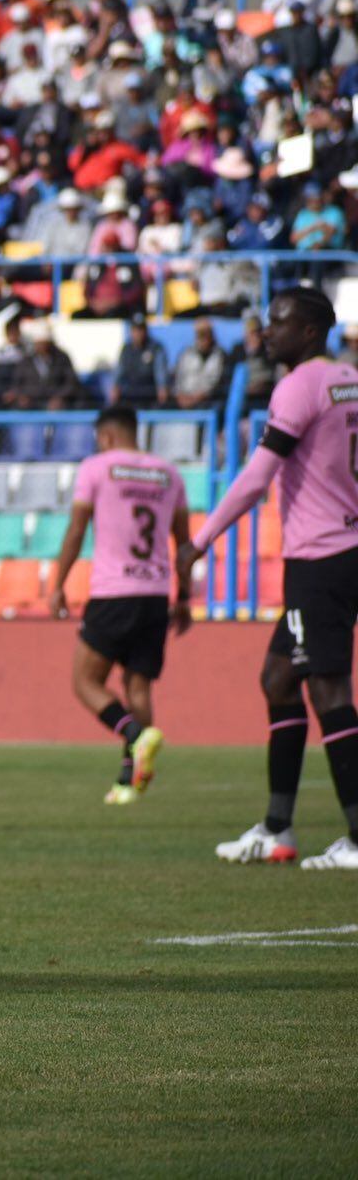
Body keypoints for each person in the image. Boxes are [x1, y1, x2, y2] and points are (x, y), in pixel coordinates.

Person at [190, 289, 358, 870]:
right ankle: (278, 829)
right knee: (279, 678)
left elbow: (257, 477)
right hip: (344, 550)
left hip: (319, 556)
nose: (267, 330)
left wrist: (199, 539)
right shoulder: (351, 380)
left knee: (329, 689)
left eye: (280, 321)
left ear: (311, 331)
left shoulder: (299, 386)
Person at [45, 407, 193, 804]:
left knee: (85, 681)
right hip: (155, 593)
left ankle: (134, 735)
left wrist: (58, 583)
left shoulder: (97, 468)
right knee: (137, 685)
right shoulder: (169, 473)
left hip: (114, 592)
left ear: (107, 436)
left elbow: (77, 529)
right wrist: (185, 596)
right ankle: (130, 781)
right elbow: (184, 541)